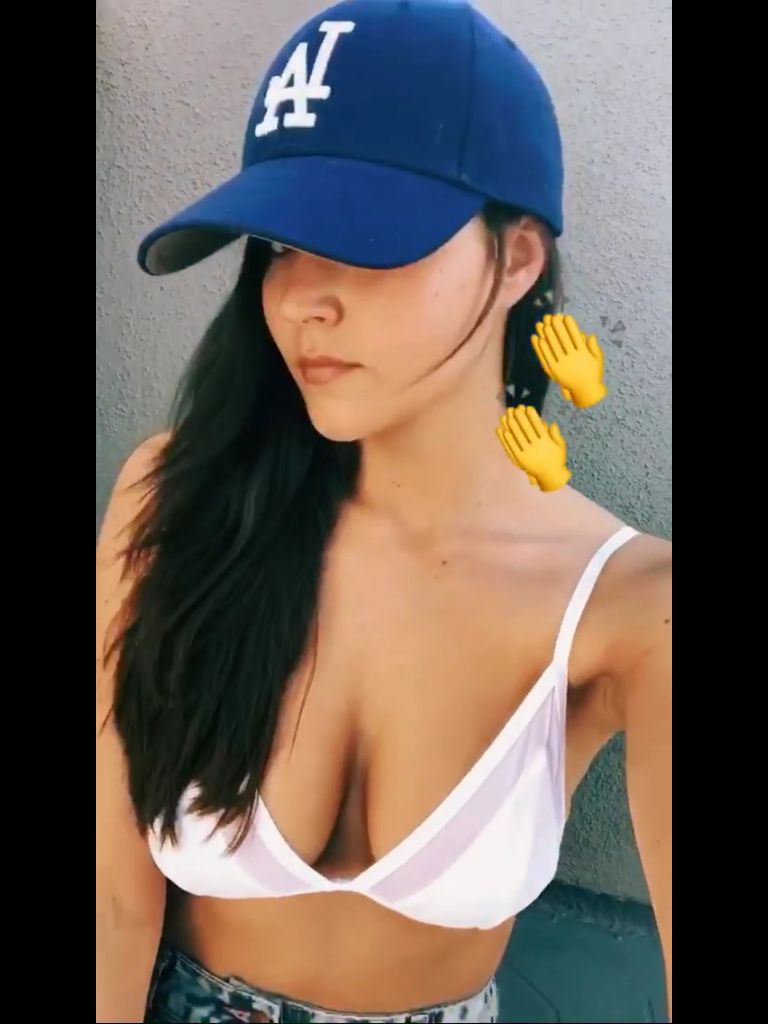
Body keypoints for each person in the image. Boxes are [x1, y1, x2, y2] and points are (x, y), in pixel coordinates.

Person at [96, 1, 672, 1021]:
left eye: (364, 240)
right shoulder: (180, 497)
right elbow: (109, 898)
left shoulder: (630, 606)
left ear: (518, 259)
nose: (299, 299)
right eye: (278, 244)